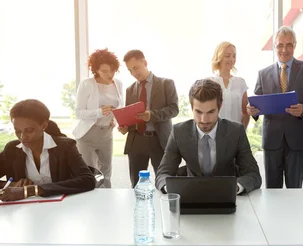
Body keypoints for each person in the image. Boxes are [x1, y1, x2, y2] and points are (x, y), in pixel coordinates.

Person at [0, 99, 96, 200]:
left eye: (29, 130)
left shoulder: (65, 147)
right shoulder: (12, 150)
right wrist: (9, 184)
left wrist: (31, 190)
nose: (23, 137)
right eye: (17, 131)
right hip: (23, 212)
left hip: (65, 209)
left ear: (43, 125)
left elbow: (87, 180)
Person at [247, 26, 303, 188]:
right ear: (275, 46)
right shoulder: (263, 73)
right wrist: (252, 111)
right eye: (280, 45)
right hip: (272, 139)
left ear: (295, 45)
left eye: (289, 45)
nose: (284, 49)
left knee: (294, 189)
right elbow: (257, 104)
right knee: (272, 190)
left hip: (297, 139)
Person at [155, 79, 262, 194]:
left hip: (226, 196)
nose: (204, 120)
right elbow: (163, 174)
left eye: (211, 112)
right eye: (198, 112)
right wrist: (171, 188)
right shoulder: (178, 132)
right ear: (191, 108)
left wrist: (234, 188)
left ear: (219, 107)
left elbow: (253, 175)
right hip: (191, 194)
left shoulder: (236, 131)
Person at [118, 50, 179, 187]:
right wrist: (125, 127)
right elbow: (131, 117)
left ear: (145, 63)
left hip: (159, 139)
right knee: (136, 185)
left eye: (136, 68)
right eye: (130, 70)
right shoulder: (130, 90)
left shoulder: (166, 84)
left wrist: (152, 115)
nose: (134, 73)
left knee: (165, 183)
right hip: (136, 141)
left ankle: (164, 208)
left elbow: (174, 109)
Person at [72, 48, 124, 188]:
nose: (110, 74)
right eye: (104, 71)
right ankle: (91, 204)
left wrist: (116, 120)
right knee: (91, 173)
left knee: (106, 172)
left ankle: (107, 202)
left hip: (106, 134)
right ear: (95, 70)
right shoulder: (87, 84)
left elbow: (120, 107)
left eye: (112, 70)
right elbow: (78, 112)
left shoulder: (118, 84)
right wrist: (99, 112)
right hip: (88, 134)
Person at [210, 41, 249, 128]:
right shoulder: (210, 82)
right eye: (227, 56)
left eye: (234, 56)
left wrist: (241, 133)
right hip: (215, 135)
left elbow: (245, 113)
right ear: (219, 57)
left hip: (236, 134)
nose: (232, 59)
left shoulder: (240, 82)